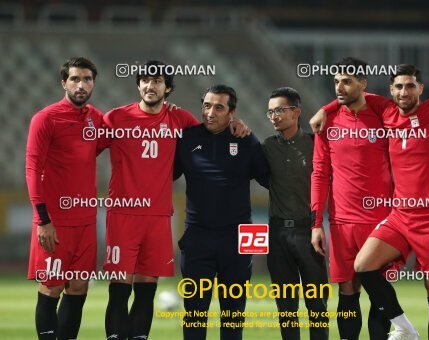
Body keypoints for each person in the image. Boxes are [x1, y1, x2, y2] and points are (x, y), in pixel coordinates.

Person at [312, 64, 429, 340]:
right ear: (390, 91)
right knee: (363, 265)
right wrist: (328, 107)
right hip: (399, 215)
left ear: (420, 88)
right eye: (398, 87)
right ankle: (405, 329)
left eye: (410, 86)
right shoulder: (387, 111)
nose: (403, 92)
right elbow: (357, 94)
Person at [99, 62, 251, 340]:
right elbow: (85, 151)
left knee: (147, 292)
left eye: (157, 81)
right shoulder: (115, 119)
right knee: (119, 290)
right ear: (138, 85)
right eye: (144, 80)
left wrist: (235, 124)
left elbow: (211, 130)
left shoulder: (180, 120)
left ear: (167, 88)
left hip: (158, 217)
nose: (150, 85)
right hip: (123, 216)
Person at [174, 84, 270, 340]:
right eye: (206, 106)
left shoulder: (245, 139)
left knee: (234, 314)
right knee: (194, 313)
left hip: (239, 237)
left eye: (219, 107)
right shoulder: (186, 138)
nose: (210, 112)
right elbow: (164, 175)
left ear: (232, 112)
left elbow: (270, 180)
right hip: (197, 237)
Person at [310, 57, 393, 340]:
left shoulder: (383, 113)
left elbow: (399, 103)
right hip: (342, 221)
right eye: (336, 82)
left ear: (363, 84)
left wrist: (325, 106)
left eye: (347, 81)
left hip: (381, 221)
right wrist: (316, 223)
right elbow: (319, 174)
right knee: (347, 291)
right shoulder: (328, 124)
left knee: (379, 290)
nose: (340, 87)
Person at [26, 57, 102, 340]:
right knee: (51, 287)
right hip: (54, 223)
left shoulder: (96, 119)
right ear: (63, 83)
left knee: (78, 288)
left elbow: (125, 135)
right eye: (75, 79)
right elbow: (32, 168)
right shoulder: (45, 118)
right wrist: (43, 219)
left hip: (86, 222)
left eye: (87, 79)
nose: (81, 85)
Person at [262, 87, 329, 340]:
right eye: (270, 112)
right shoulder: (267, 147)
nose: (274, 116)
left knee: (317, 305)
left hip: (308, 231)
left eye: (279, 110)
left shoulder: (316, 144)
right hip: (277, 234)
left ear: (296, 112)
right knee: (286, 308)